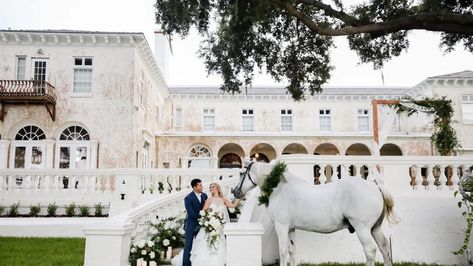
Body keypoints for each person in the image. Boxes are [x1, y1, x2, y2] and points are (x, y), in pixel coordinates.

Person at [172, 182, 240, 266]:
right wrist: (209, 220)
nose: (211, 189)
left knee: (219, 244)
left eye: (213, 187)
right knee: (205, 244)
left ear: (218, 188)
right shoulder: (209, 200)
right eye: (210, 187)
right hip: (210, 226)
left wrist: (239, 198)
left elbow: (232, 205)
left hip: (219, 227)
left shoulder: (223, 199)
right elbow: (203, 212)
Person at [182, 178, 207, 266]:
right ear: (194, 187)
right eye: (200, 185)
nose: (202, 186)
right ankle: (185, 264)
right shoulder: (188, 198)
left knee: (200, 244)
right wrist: (202, 219)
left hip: (203, 225)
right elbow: (191, 213)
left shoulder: (204, 196)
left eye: (201, 185)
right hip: (191, 224)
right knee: (188, 245)